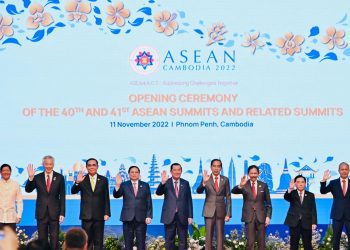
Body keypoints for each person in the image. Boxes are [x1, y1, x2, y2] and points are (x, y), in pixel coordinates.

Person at [25, 155, 65, 250]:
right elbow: (28, 189)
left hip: (55, 213)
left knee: (54, 238)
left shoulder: (59, 177)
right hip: (41, 213)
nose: (48, 166)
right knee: (42, 239)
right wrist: (30, 178)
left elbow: (62, 196)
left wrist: (62, 213)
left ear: (53, 164)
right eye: (46, 164)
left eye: (50, 164)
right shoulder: (37, 177)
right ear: (43, 164)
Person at [71, 158, 111, 250]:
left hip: (100, 215)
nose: (92, 167)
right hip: (86, 215)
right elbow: (73, 191)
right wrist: (77, 182)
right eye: (89, 165)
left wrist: (107, 213)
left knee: (98, 241)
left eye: (94, 165)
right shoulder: (82, 179)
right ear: (86, 167)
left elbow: (106, 197)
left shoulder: (104, 180)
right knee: (87, 241)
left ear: (97, 166)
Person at [231, 165, 272, 250]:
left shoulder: (263, 185)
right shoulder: (244, 184)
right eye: (251, 173)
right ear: (248, 174)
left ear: (258, 174)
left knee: (262, 243)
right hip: (249, 217)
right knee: (250, 243)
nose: (253, 175)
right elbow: (233, 191)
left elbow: (268, 203)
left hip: (261, 217)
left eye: (255, 173)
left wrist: (268, 217)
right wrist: (240, 185)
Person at [113, 166, 152, 250]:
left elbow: (148, 201)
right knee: (128, 243)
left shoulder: (145, 185)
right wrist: (117, 185)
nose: (134, 174)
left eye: (136, 172)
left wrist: (149, 216)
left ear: (139, 174)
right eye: (132, 172)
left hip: (141, 218)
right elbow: (116, 195)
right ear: (129, 174)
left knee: (141, 242)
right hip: (127, 218)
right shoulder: (124, 185)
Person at [156, 163, 193, 250]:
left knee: (183, 240)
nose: (177, 172)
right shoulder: (166, 182)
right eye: (174, 170)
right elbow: (158, 193)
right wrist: (162, 183)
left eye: (178, 170)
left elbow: (189, 200)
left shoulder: (186, 183)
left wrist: (190, 216)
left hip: (182, 216)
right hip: (169, 216)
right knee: (169, 240)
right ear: (171, 171)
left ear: (181, 171)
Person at [196, 159, 231, 250]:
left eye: (218, 166)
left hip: (221, 211)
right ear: (211, 167)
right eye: (214, 166)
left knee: (220, 235)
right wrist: (203, 183)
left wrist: (228, 213)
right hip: (209, 211)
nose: (216, 168)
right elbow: (198, 191)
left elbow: (228, 197)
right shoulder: (206, 178)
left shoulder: (225, 179)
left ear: (221, 168)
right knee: (208, 236)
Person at [320, 162, 350, 250]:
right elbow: (323, 191)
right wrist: (324, 180)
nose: (344, 171)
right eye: (342, 169)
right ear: (339, 171)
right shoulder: (333, 183)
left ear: (348, 170)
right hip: (337, 215)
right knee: (336, 238)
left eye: (346, 169)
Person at [284, 175, 317, 250]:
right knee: (294, 244)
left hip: (307, 222)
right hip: (294, 222)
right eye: (298, 182)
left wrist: (314, 222)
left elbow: (313, 209)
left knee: (308, 244)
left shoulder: (310, 195)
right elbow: (286, 197)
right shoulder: (292, 193)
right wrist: (290, 188)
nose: (300, 184)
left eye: (302, 182)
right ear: (295, 183)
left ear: (305, 183)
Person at [0, 164, 23, 232]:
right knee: (1, 240)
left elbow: (19, 201)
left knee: (10, 240)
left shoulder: (15, 184)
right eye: (4, 170)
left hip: (11, 218)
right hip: (0, 217)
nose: (6, 172)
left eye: (7, 170)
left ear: (10, 172)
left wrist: (19, 215)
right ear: (1, 172)